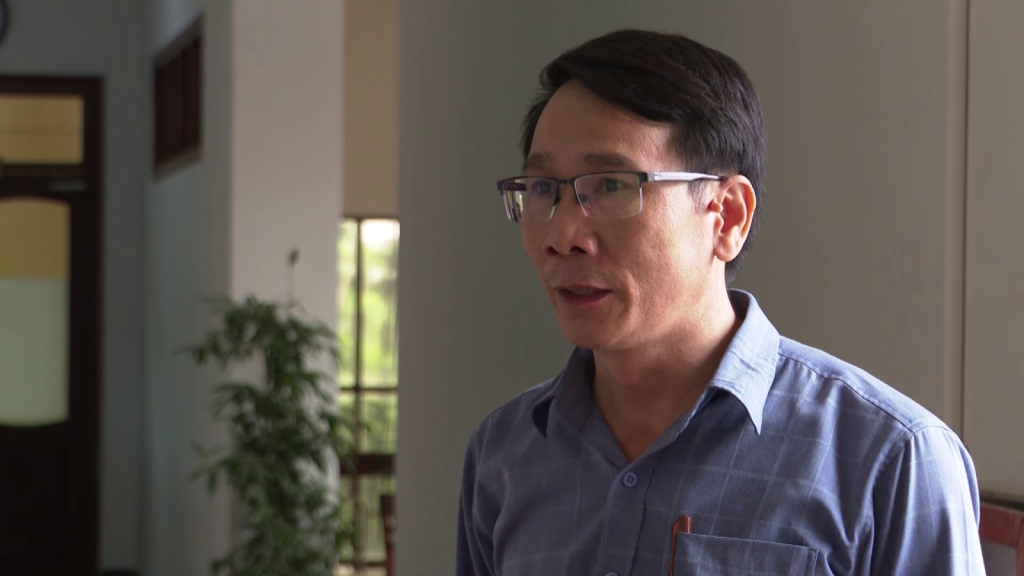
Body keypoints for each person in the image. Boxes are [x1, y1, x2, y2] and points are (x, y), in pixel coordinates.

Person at [456, 29, 986, 576]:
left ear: (727, 216)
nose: (562, 234)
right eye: (543, 189)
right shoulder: (503, 456)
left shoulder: (892, 462)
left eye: (612, 185)